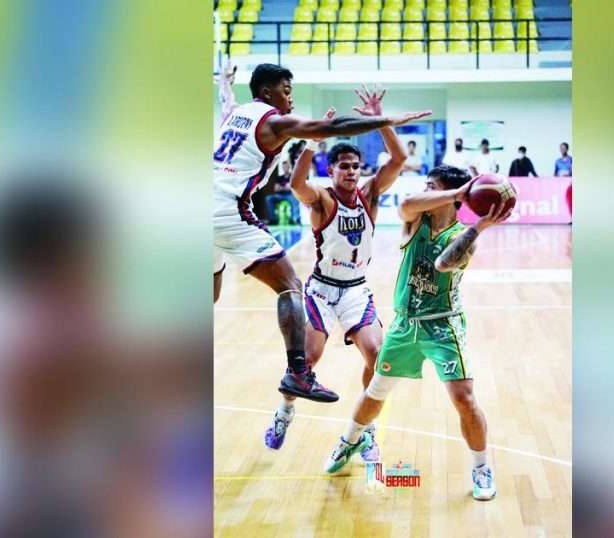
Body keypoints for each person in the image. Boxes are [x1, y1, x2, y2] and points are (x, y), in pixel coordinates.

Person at [213, 63, 431, 403]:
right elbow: (334, 126)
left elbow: (228, 105)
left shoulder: (237, 115)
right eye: (287, 92)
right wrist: (386, 120)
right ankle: (299, 374)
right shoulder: (275, 121)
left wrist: (225, 86)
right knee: (289, 285)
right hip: (227, 209)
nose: (291, 101)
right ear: (268, 94)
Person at [322, 165, 513, 501]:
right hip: (404, 323)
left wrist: (479, 228)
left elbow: (443, 264)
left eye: (432, 186)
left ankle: (481, 468)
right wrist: (457, 192)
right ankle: (349, 441)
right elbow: (407, 202)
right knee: (375, 392)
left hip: (442, 325)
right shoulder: (414, 222)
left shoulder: (462, 236)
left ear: (455, 197)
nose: (426, 191)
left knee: (464, 400)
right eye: (428, 185)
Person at [263, 85, 409, 454]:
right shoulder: (323, 198)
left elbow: (398, 158)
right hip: (322, 291)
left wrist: (379, 119)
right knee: (307, 361)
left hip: (356, 289)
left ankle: (365, 430)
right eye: (344, 165)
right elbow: (297, 183)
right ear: (332, 170)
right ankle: (284, 410)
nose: (351, 171)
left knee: (379, 358)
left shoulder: (370, 195)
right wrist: (313, 139)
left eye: (356, 166)